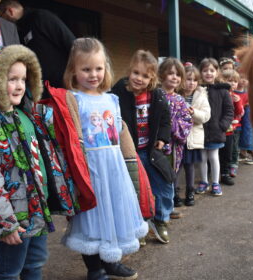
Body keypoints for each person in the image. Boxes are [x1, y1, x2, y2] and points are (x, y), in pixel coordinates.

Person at [0, 45, 78, 280]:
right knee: (9, 271)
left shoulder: (27, 116)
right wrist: (5, 224)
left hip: (38, 206)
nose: (19, 86)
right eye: (11, 79)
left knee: (35, 265)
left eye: (23, 79)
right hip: (13, 217)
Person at [61, 38, 147, 280]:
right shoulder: (73, 99)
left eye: (98, 68)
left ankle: (112, 261)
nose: (93, 74)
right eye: (86, 69)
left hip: (114, 168)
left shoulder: (112, 99)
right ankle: (95, 268)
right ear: (73, 70)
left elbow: (120, 134)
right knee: (92, 218)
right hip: (90, 169)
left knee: (117, 211)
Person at [111, 50, 173, 244]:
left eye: (145, 76)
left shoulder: (157, 95)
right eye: (136, 73)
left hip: (150, 151)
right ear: (129, 71)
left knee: (164, 184)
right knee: (134, 190)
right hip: (129, 152)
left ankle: (161, 220)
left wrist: (162, 138)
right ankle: (140, 225)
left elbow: (165, 120)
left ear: (152, 78)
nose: (139, 78)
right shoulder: (119, 91)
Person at [0, 0, 75, 91]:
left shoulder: (41, 17)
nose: (2, 24)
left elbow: (71, 43)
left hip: (65, 86)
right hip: (44, 91)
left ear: (10, 11)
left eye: (2, 18)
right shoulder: (19, 32)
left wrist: (75, 77)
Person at [195, 58, 233, 196]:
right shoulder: (197, 90)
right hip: (200, 130)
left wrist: (222, 126)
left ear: (217, 72)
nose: (208, 73)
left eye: (212, 70)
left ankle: (215, 183)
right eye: (205, 70)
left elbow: (229, 111)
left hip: (216, 131)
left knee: (214, 157)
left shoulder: (223, 91)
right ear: (201, 72)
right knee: (202, 158)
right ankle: (204, 181)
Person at [158, 57, 192, 209]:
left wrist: (173, 125)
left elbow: (187, 121)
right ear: (161, 74)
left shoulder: (180, 100)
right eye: (170, 73)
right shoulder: (155, 96)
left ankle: (168, 206)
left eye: (178, 75)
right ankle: (157, 209)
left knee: (170, 175)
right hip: (156, 145)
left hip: (173, 147)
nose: (174, 77)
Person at [178, 64, 210, 206]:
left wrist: (193, 113)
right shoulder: (176, 94)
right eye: (188, 79)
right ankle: (175, 193)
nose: (191, 83)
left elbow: (206, 116)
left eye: (194, 80)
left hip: (192, 137)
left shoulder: (202, 95)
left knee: (190, 166)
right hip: (177, 138)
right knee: (176, 167)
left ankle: (190, 192)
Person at [219, 69, 244, 185]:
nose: (232, 83)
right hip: (219, 127)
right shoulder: (219, 94)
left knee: (229, 151)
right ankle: (216, 171)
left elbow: (239, 112)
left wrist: (238, 102)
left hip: (231, 128)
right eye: (229, 80)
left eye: (234, 81)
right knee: (217, 152)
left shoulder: (235, 96)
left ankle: (226, 171)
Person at [236, 73, 253, 165]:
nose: (244, 80)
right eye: (241, 77)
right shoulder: (234, 90)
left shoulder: (250, 91)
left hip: (248, 114)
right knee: (242, 132)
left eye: (246, 78)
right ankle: (243, 153)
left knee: (248, 132)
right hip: (239, 116)